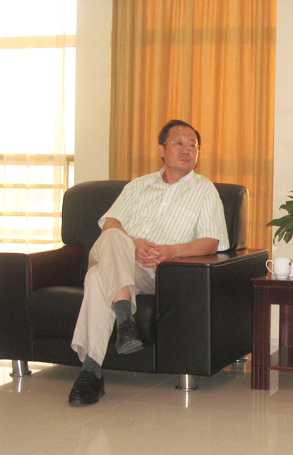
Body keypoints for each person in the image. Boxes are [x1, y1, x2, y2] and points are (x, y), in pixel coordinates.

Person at [68, 119, 230, 406]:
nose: (187, 150)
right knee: (113, 235)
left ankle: (93, 369)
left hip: (160, 272)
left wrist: (170, 252)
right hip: (124, 258)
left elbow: (211, 242)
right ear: (162, 150)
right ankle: (120, 327)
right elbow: (110, 224)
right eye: (178, 143)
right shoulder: (138, 186)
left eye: (193, 145)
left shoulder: (205, 191)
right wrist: (134, 244)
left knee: (96, 276)